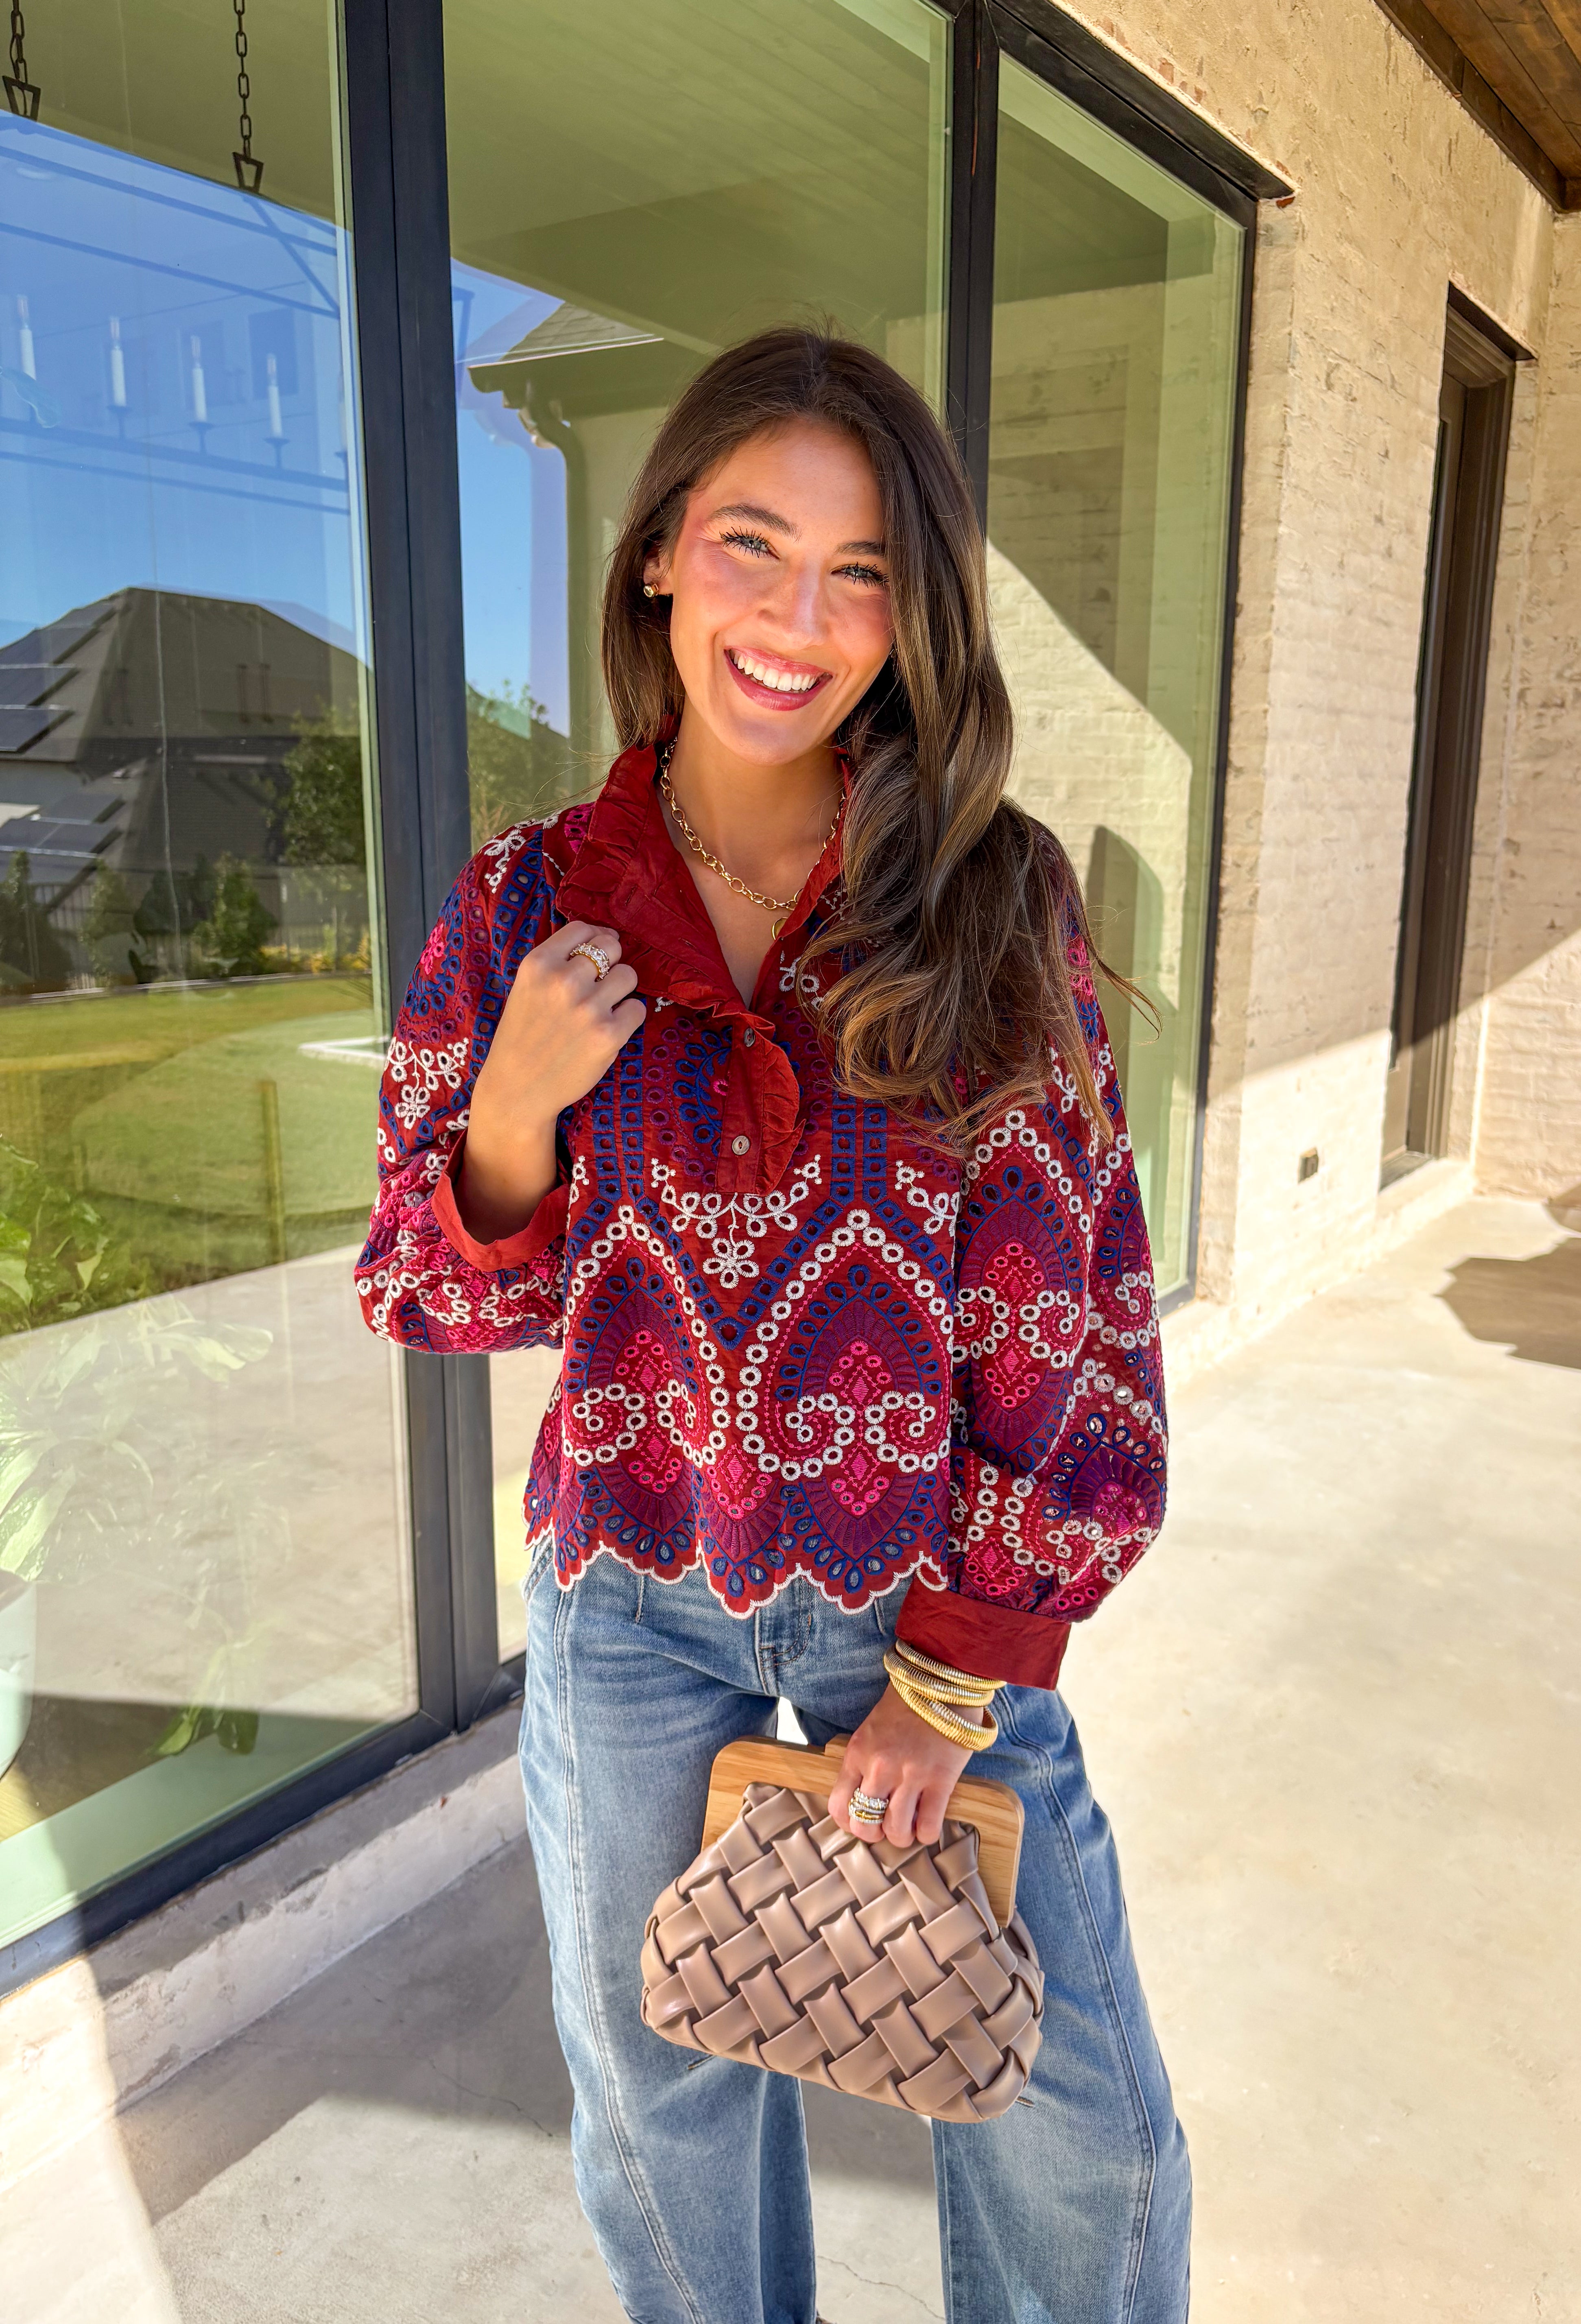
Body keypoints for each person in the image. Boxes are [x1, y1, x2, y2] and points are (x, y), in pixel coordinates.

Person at [356, 327, 1189, 2324]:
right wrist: (509, 1105)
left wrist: (956, 1680)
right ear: (657, 560)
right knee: (657, 2106)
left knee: (1085, 2131)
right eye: (751, 545)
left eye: (862, 573)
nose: (796, 620)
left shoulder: (991, 905)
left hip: (929, 1613)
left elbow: (1083, 1323)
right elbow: (426, 1276)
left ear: (913, 620)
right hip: (632, 1606)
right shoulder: (527, 906)